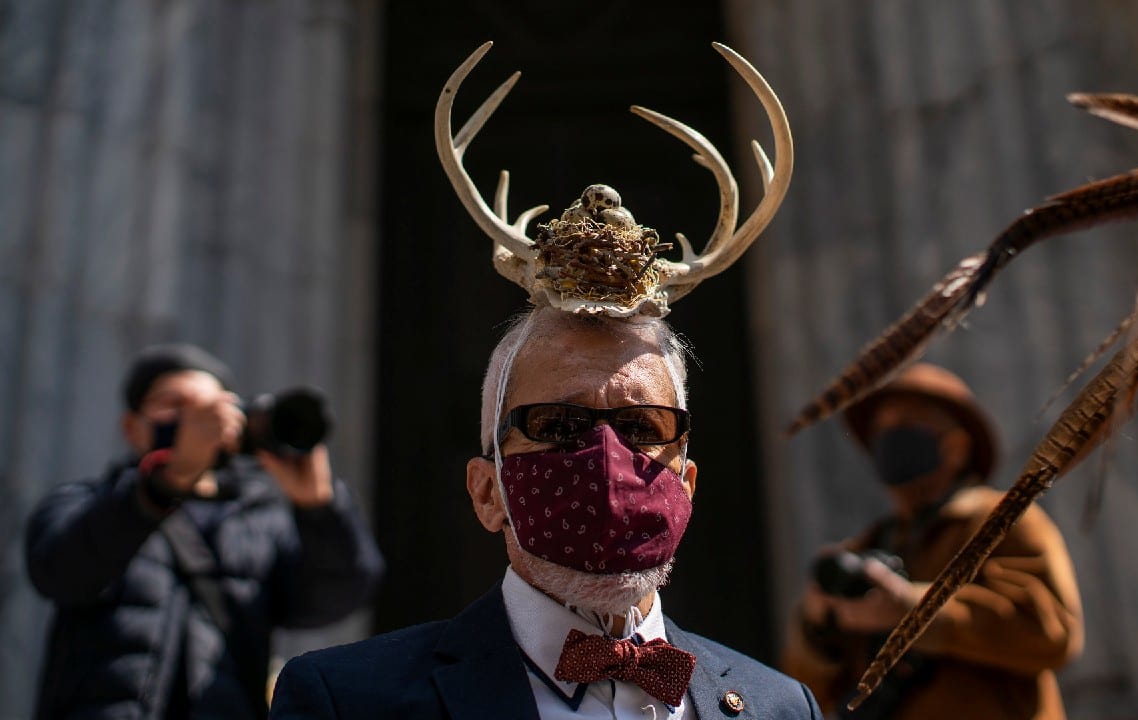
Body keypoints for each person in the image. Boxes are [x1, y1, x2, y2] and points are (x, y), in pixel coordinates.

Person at [269, 40, 816, 719]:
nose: (607, 460)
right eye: (557, 426)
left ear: (688, 481)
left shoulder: (780, 707)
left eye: (643, 428)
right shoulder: (346, 702)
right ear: (486, 489)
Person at [25, 343, 385, 719]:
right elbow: (59, 571)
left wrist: (320, 510)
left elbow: (339, 597)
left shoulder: (261, 520)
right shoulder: (88, 502)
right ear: (132, 427)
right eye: (174, 404)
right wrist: (167, 482)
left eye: (212, 407)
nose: (197, 419)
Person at [780, 363, 1084, 719]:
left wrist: (911, 610)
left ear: (955, 448)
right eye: (882, 431)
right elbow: (806, 692)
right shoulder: (870, 545)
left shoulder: (1004, 520)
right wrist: (818, 627)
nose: (891, 441)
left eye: (907, 428)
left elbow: (1053, 634)